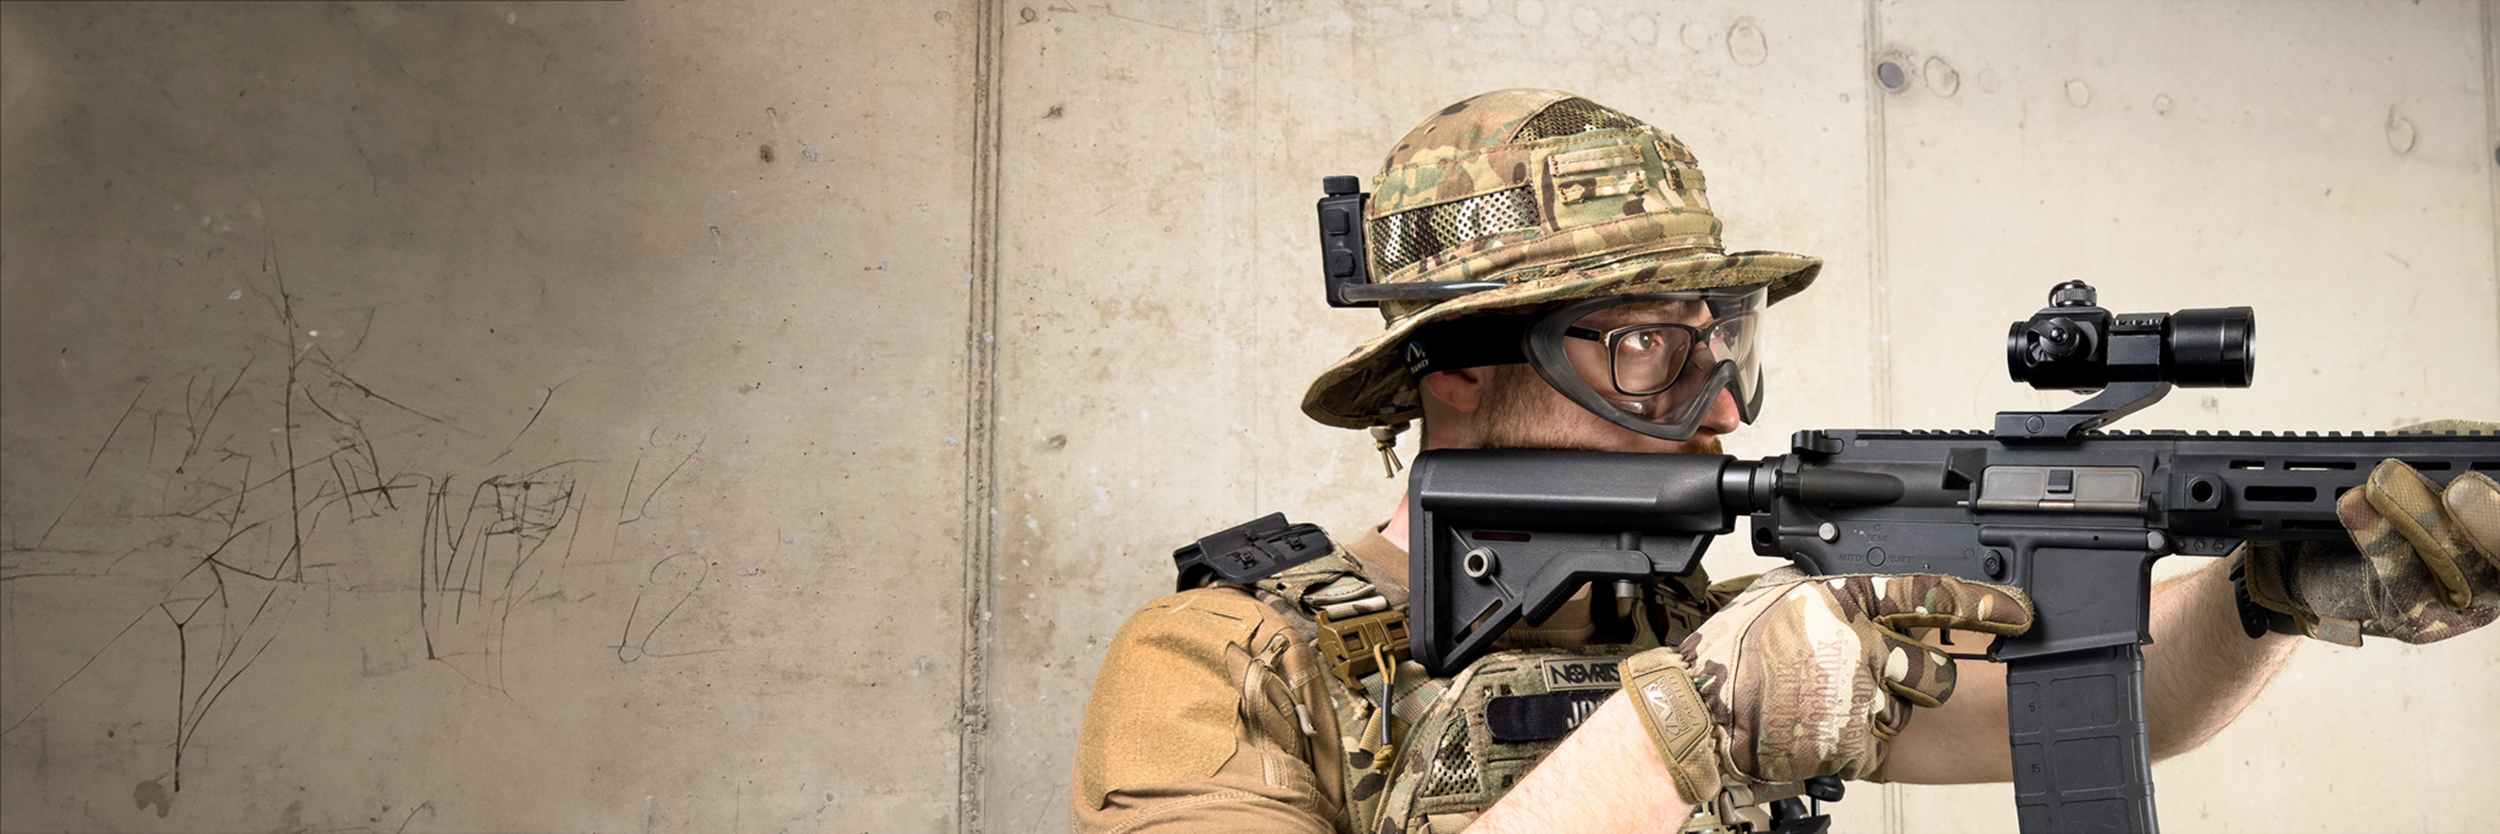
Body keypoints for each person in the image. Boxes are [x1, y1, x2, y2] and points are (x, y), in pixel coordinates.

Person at [1069, 89, 2499, 834]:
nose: (1716, 407)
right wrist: (1694, 720)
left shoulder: (1722, 627)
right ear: (1458, 375)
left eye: (1726, 345)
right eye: (1644, 351)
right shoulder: (1224, 663)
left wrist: (2272, 592)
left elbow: (2108, 702)